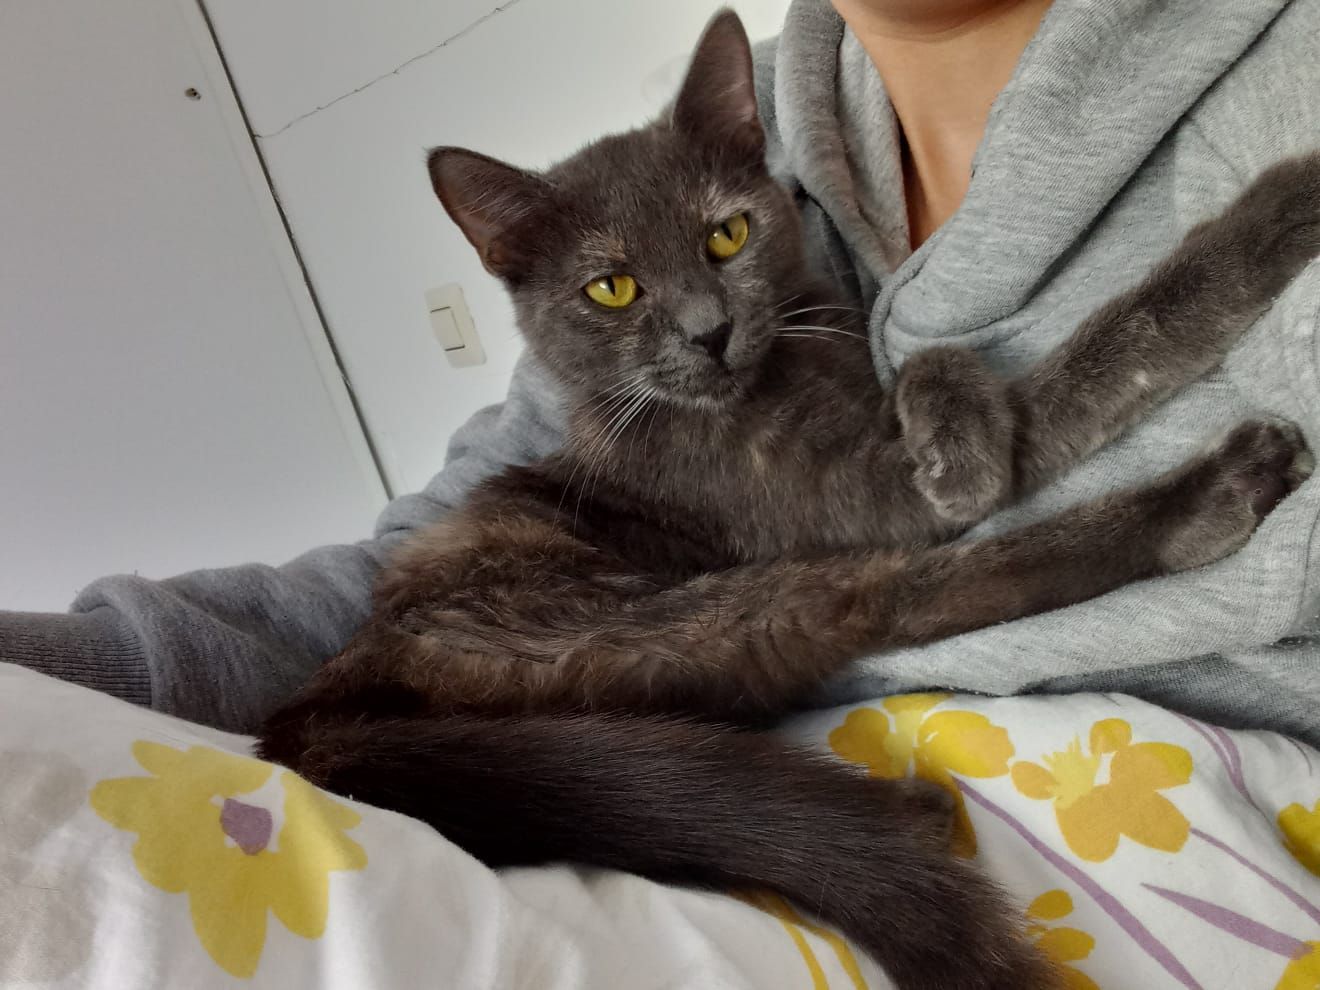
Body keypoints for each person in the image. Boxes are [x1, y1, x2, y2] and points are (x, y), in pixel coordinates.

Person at [4, 0, 1319, 744]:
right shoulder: (756, 151)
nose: (701, 320)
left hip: (1166, 793)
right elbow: (391, 583)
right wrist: (62, 671)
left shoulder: (1281, 84)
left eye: (727, 244)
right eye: (618, 289)